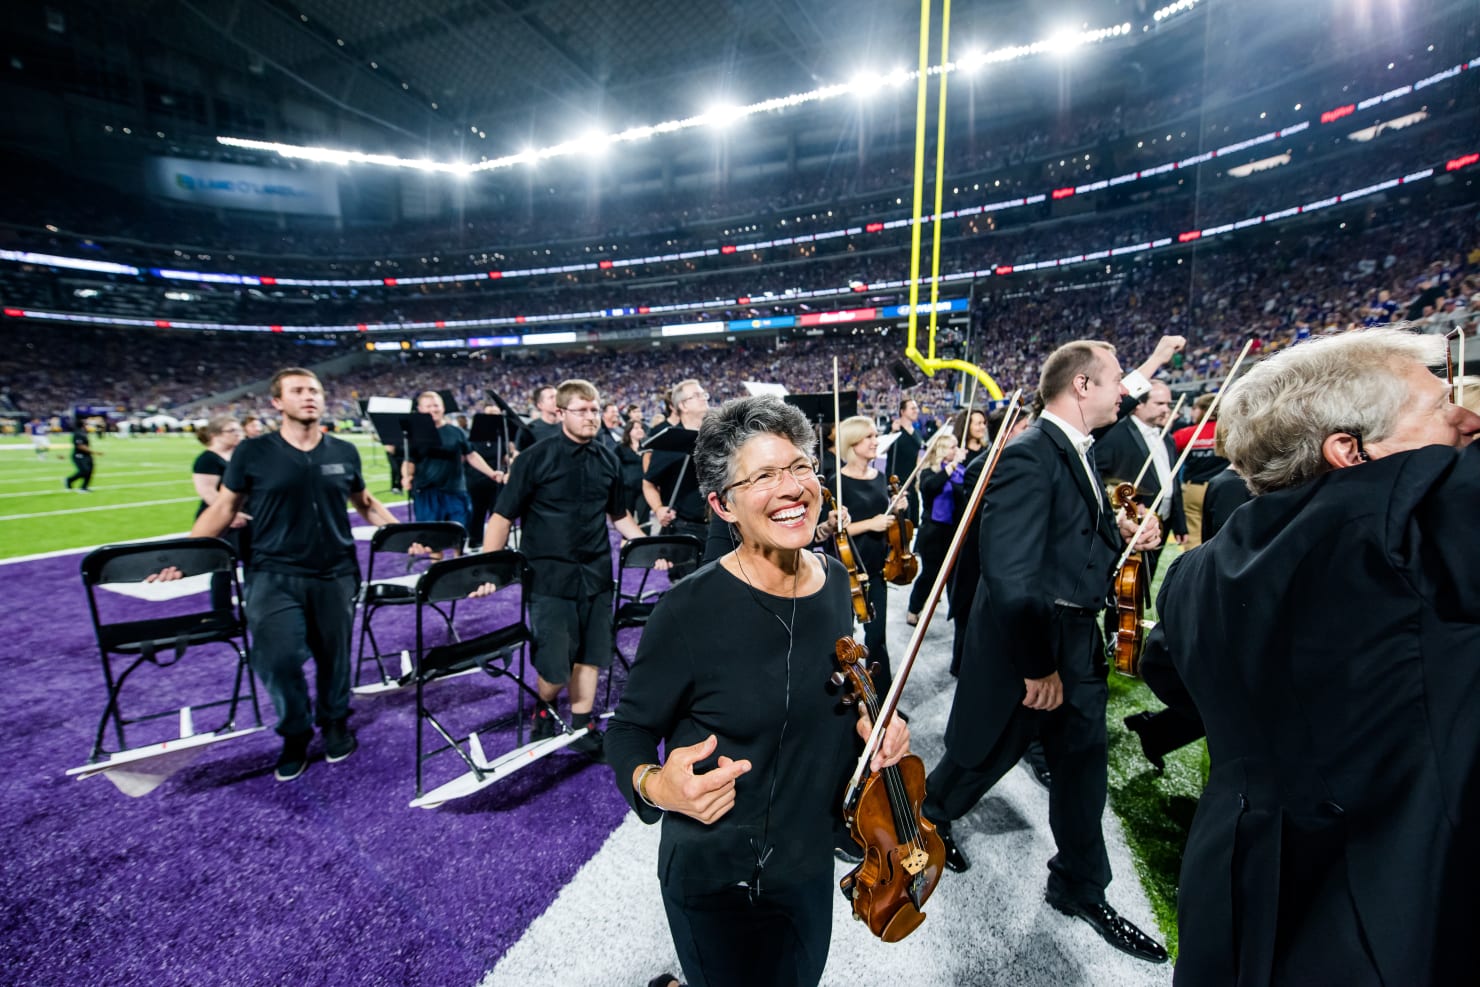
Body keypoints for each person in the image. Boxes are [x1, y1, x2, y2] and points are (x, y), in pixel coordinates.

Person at [1141, 327, 1480, 986]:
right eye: (1442, 406)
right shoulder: (1417, 517)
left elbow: (1166, 669)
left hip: (1228, 893)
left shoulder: (1192, 577)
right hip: (1391, 905)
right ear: (1351, 449)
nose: (1468, 419)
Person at [605, 395, 910, 987]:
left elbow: (837, 686)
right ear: (723, 505)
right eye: (764, 475)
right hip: (718, 873)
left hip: (809, 859)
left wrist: (875, 724)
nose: (792, 487)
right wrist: (654, 784)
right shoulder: (688, 609)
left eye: (799, 467)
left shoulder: (836, 580)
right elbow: (628, 731)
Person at [922, 340, 1167, 964]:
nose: (1125, 392)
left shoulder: (1075, 450)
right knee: (986, 753)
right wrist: (1037, 666)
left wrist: (1123, 537)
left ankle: (1080, 886)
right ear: (1081, 386)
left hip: (1077, 639)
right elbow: (1010, 575)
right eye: (1116, 380)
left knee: (1083, 770)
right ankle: (930, 816)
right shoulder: (1031, 454)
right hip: (1032, 644)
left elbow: (1070, 542)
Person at [155, 368, 398, 782]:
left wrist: (408, 536)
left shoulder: (343, 450)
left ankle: (335, 720)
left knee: (334, 657)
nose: (309, 397)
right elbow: (223, 508)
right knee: (277, 658)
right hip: (272, 572)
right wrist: (187, 555)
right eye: (298, 391)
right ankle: (295, 731)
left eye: (315, 391)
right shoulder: (253, 452)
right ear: (277, 402)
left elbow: (366, 501)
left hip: (335, 571)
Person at [482, 379, 650, 758]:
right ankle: (544, 706)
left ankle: (582, 724)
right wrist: (489, 571)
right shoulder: (533, 458)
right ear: (560, 413)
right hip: (548, 576)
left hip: (596, 574)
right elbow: (501, 516)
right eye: (582, 410)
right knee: (555, 664)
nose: (592, 417)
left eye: (595, 410)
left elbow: (618, 514)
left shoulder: (608, 458)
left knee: (591, 654)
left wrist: (646, 545)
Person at [836, 415, 908, 700]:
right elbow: (838, 530)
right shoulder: (837, 481)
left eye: (875, 436)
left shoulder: (880, 477)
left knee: (877, 638)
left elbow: (887, 518)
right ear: (853, 442)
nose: (876, 441)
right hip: (848, 570)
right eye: (869, 437)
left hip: (878, 567)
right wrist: (870, 524)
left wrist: (898, 507)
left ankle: (881, 701)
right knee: (844, 638)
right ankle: (846, 698)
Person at [1093, 379, 1187, 581]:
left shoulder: (1166, 437)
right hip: (1130, 523)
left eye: (1169, 404)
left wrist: (1180, 523)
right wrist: (1119, 508)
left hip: (1162, 523)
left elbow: (1172, 482)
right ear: (1138, 405)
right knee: (1123, 585)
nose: (1167, 409)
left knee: (1146, 578)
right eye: (1160, 403)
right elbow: (1097, 475)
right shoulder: (1114, 433)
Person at [401, 391, 503, 531]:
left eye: (436, 405)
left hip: (455, 491)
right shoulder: (414, 435)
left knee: (458, 535)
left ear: (443, 407)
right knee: (432, 539)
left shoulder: (457, 432)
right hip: (426, 492)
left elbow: (471, 455)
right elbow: (409, 461)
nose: (433, 409)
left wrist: (491, 473)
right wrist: (406, 477)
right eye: (428, 406)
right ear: (420, 409)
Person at [643, 379, 710, 573]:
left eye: (703, 394)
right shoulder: (669, 440)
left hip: (720, 526)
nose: (704, 398)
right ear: (683, 405)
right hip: (685, 529)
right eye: (696, 395)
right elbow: (648, 483)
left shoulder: (716, 435)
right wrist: (658, 509)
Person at [905, 427, 966, 626]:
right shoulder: (929, 472)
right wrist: (953, 465)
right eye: (952, 447)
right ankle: (914, 608)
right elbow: (931, 487)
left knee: (954, 576)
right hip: (933, 532)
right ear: (940, 449)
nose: (955, 451)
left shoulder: (958, 473)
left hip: (953, 531)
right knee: (930, 574)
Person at [191, 415, 251, 611]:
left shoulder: (238, 456)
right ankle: (222, 612)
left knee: (253, 564)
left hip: (246, 517)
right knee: (223, 568)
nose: (238, 435)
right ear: (216, 435)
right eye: (232, 431)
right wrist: (230, 515)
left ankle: (255, 607)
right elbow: (207, 491)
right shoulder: (207, 459)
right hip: (221, 519)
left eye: (239, 431)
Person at [1170, 393, 1226, 546]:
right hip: (1225, 489)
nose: (1192, 412)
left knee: (1194, 539)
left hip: (1194, 489)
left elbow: (1166, 453)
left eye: (1195, 408)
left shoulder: (1186, 434)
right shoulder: (1231, 433)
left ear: (1204, 410)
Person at [885, 397, 924, 523]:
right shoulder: (893, 428)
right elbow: (883, 449)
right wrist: (892, 432)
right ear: (902, 411)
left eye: (916, 408)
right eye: (912, 408)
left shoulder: (917, 432)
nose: (916, 411)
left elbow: (917, 453)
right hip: (896, 480)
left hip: (911, 480)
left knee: (912, 519)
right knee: (898, 518)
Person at [617, 419, 649, 525]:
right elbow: (614, 467)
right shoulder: (620, 448)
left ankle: (646, 540)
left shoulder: (647, 447)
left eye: (641, 428)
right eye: (636, 428)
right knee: (626, 517)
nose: (639, 430)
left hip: (643, 488)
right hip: (626, 489)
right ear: (629, 431)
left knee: (644, 519)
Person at [520, 384, 564, 449]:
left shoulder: (569, 426)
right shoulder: (529, 430)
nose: (556, 400)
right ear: (540, 405)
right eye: (551, 397)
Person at [65, 425, 100, 492]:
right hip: (79, 455)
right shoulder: (78, 434)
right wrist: (94, 452)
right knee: (85, 470)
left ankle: (84, 487)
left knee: (90, 470)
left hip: (87, 455)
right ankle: (70, 480)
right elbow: (80, 446)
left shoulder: (83, 433)